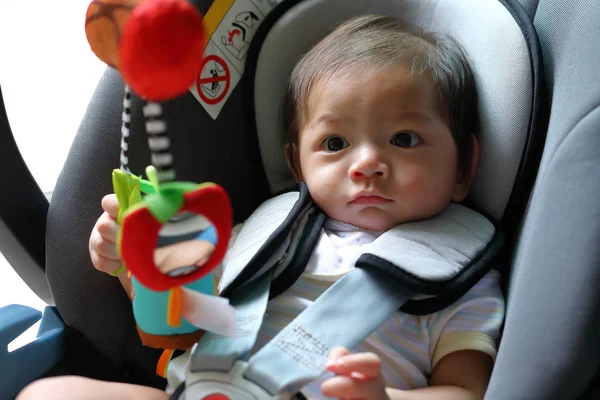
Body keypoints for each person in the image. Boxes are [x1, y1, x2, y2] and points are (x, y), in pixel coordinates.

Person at [18, 15, 504, 400]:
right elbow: (184, 329)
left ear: (464, 167)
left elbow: (468, 390)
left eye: (404, 139)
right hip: (206, 390)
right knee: (49, 393)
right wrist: (136, 265)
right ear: (298, 164)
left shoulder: (458, 275)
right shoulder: (263, 235)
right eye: (336, 143)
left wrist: (384, 398)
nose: (367, 163)